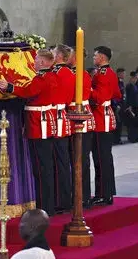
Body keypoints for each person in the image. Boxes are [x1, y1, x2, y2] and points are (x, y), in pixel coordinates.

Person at [0, 49, 58, 216]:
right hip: (45, 122)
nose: (35, 62)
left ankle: (43, 207)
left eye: (38, 59)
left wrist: (9, 86)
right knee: (45, 167)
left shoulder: (42, 78)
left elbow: (28, 92)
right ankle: (47, 205)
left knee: (40, 169)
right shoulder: (51, 76)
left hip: (39, 124)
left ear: (45, 62)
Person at [90, 46, 122, 206]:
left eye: (95, 56)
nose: (93, 58)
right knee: (105, 158)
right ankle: (107, 192)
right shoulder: (110, 73)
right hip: (106, 116)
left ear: (102, 57)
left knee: (101, 159)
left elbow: (99, 98)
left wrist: (88, 89)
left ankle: (103, 193)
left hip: (100, 119)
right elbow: (117, 93)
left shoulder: (101, 75)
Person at [67, 48, 95, 208]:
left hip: (79, 118)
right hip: (78, 117)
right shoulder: (78, 73)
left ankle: (82, 195)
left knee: (81, 159)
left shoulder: (79, 74)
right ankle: (81, 194)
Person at [51, 44, 75, 214]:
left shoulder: (57, 73)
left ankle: (60, 199)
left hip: (55, 118)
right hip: (63, 118)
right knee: (63, 161)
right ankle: (65, 198)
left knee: (58, 162)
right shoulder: (70, 73)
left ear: (59, 56)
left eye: (53, 52)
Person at [125, 72, 138, 143]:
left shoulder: (135, 86)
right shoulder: (129, 86)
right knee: (131, 123)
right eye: (134, 78)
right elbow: (129, 97)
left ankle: (136, 137)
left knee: (136, 122)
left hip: (136, 106)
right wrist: (129, 106)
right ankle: (132, 137)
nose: (135, 80)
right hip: (131, 106)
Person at [113, 68, 126, 144]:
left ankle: (118, 138)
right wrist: (116, 104)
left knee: (120, 122)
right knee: (117, 122)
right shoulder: (115, 82)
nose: (124, 75)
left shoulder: (121, 82)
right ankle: (116, 139)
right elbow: (114, 94)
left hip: (121, 105)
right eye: (123, 73)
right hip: (117, 105)